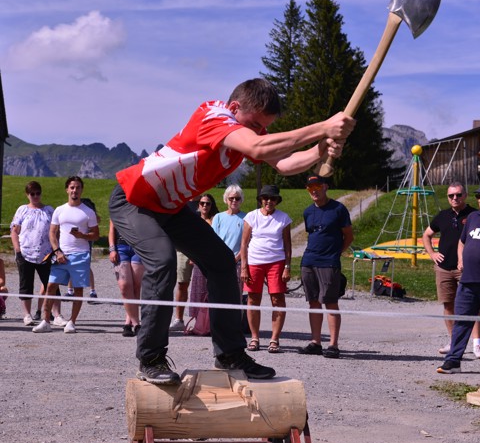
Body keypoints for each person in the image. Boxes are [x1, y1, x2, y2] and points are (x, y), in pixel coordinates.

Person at [109, 77, 355, 385]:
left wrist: (321, 149)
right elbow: (257, 145)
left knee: (223, 262)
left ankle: (229, 354)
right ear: (235, 108)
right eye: (254, 124)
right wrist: (323, 127)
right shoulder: (213, 115)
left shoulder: (247, 133)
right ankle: (151, 357)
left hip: (170, 207)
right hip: (133, 199)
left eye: (263, 127)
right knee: (162, 261)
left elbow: (285, 162)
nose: (259, 131)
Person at [437, 180, 480, 376]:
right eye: (478, 196)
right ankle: (453, 361)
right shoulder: (472, 217)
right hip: (468, 281)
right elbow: (462, 241)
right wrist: (461, 259)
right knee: (461, 321)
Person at [422, 182, 480, 358]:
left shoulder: (475, 215)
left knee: (472, 305)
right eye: (451, 196)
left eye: (458, 195)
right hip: (444, 268)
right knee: (448, 304)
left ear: (465, 195)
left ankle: (477, 344)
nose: (455, 198)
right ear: (448, 198)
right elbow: (426, 235)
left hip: (467, 269)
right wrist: (432, 253)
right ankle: (453, 341)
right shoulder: (442, 216)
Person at [33, 176, 99, 334]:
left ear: (81, 190)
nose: (75, 190)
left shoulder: (88, 212)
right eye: (72, 187)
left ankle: (72, 322)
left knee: (78, 289)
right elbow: (52, 232)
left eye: (77, 187)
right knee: (50, 286)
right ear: (67, 189)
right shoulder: (60, 210)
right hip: (61, 254)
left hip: (81, 254)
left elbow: (96, 235)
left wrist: (82, 235)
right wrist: (57, 251)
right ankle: (46, 321)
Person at [298, 175, 353, 358]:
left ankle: (333, 344)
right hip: (309, 261)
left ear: (325, 187)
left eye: (317, 186)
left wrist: (336, 253)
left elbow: (348, 236)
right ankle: (316, 342)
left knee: (330, 302)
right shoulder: (307, 212)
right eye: (310, 188)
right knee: (313, 302)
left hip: (329, 262)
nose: (313, 190)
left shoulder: (338, 209)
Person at [240, 184, 292, 353]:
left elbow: (287, 245)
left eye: (273, 198)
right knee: (253, 299)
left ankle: (274, 339)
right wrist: (244, 267)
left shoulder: (283, 218)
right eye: (266, 198)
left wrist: (287, 267)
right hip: (254, 262)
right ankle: (254, 337)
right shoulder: (251, 216)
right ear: (261, 200)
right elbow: (244, 243)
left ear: (277, 201)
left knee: (277, 299)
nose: (269, 201)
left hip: (276, 262)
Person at [10, 181, 66, 327]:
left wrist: (57, 249)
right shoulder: (22, 210)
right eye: (32, 194)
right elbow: (14, 231)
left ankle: (57, 315)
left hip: (46, 254)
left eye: (38, 193)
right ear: (27, 195)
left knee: (52, 284)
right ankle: (27, 315)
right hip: (25, 253)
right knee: (25, 284)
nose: (35, 196)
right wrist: (18, 251)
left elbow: (56, 231)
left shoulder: (49, 210)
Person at [169, 195, 201, 332]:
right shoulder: (180, 203)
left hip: (199, 249)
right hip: (180, 249)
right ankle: (179, 319)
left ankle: (201, 321)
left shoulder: (206, 203)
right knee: (182, 284)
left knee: (202, 286)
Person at [109, 220, 145, 337]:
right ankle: (136, 324)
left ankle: (130, 323)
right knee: (124, 286)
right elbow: (111, 231)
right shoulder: (117, 207)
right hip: (120, 248)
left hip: (138, 247)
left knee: (136, 285)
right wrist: (112, 249)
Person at [188, 193, 219, 326]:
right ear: (198, 205)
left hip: (212, 259)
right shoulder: (193, 219)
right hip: (197, 260)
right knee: (198, 290)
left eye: (208, 203)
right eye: (202, 203)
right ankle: (198, 321)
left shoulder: (216, 220)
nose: (205, 206)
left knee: (211, 290)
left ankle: (211, 321)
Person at [65, 196, 100, 303]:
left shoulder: (87, 210)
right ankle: (71, 291)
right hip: (73, 241)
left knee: (85, 265)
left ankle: (92, 291)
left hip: (85, 241)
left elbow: (95, 224)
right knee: (70, 264)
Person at [212, 185, 246, 292]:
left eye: (237, 198)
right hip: (220, 261)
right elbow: (214, 241)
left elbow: (247, 243)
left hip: (238, 262)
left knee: (236, 293)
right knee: (219, 292)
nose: (234, 201)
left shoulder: (247, 218)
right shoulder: (218, 217)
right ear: (226, 200)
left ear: (241, 200)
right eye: (231, 198)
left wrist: (236, 258)